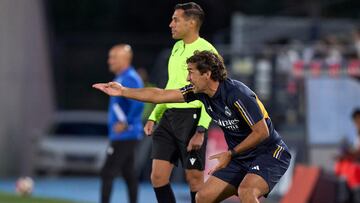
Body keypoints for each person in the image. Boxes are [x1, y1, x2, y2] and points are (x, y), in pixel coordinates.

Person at [93, 50, 291, 203]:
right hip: (240, 157)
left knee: (246, 191)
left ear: (206, 74)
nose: (188, 78)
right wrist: (123, 92)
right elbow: (160, 95)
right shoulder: (199, 92)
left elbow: (262, 132)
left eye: (191, 72)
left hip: (270, 153)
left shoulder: (237, 94)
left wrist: (231, 153)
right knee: (202, 198)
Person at [143, 2, 217, 203]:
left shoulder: (207, 52)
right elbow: (170, 85)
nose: (170, 24)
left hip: (191, 120)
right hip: (168, 118)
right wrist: (154, 115)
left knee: (194, 179)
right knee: (157, 177)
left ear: (191, 22)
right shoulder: (176, 48)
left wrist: (201, 130)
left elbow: (214, 94)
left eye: (176, 19)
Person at [100, 44, 144, 203]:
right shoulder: (120, 78)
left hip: (126, 134)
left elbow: (139, 103)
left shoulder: (130, 78)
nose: (109, 61)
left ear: (125, 59)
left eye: (113, 57)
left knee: (107, 172)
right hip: (124, 133)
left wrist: (126, 123)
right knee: (129, 173)